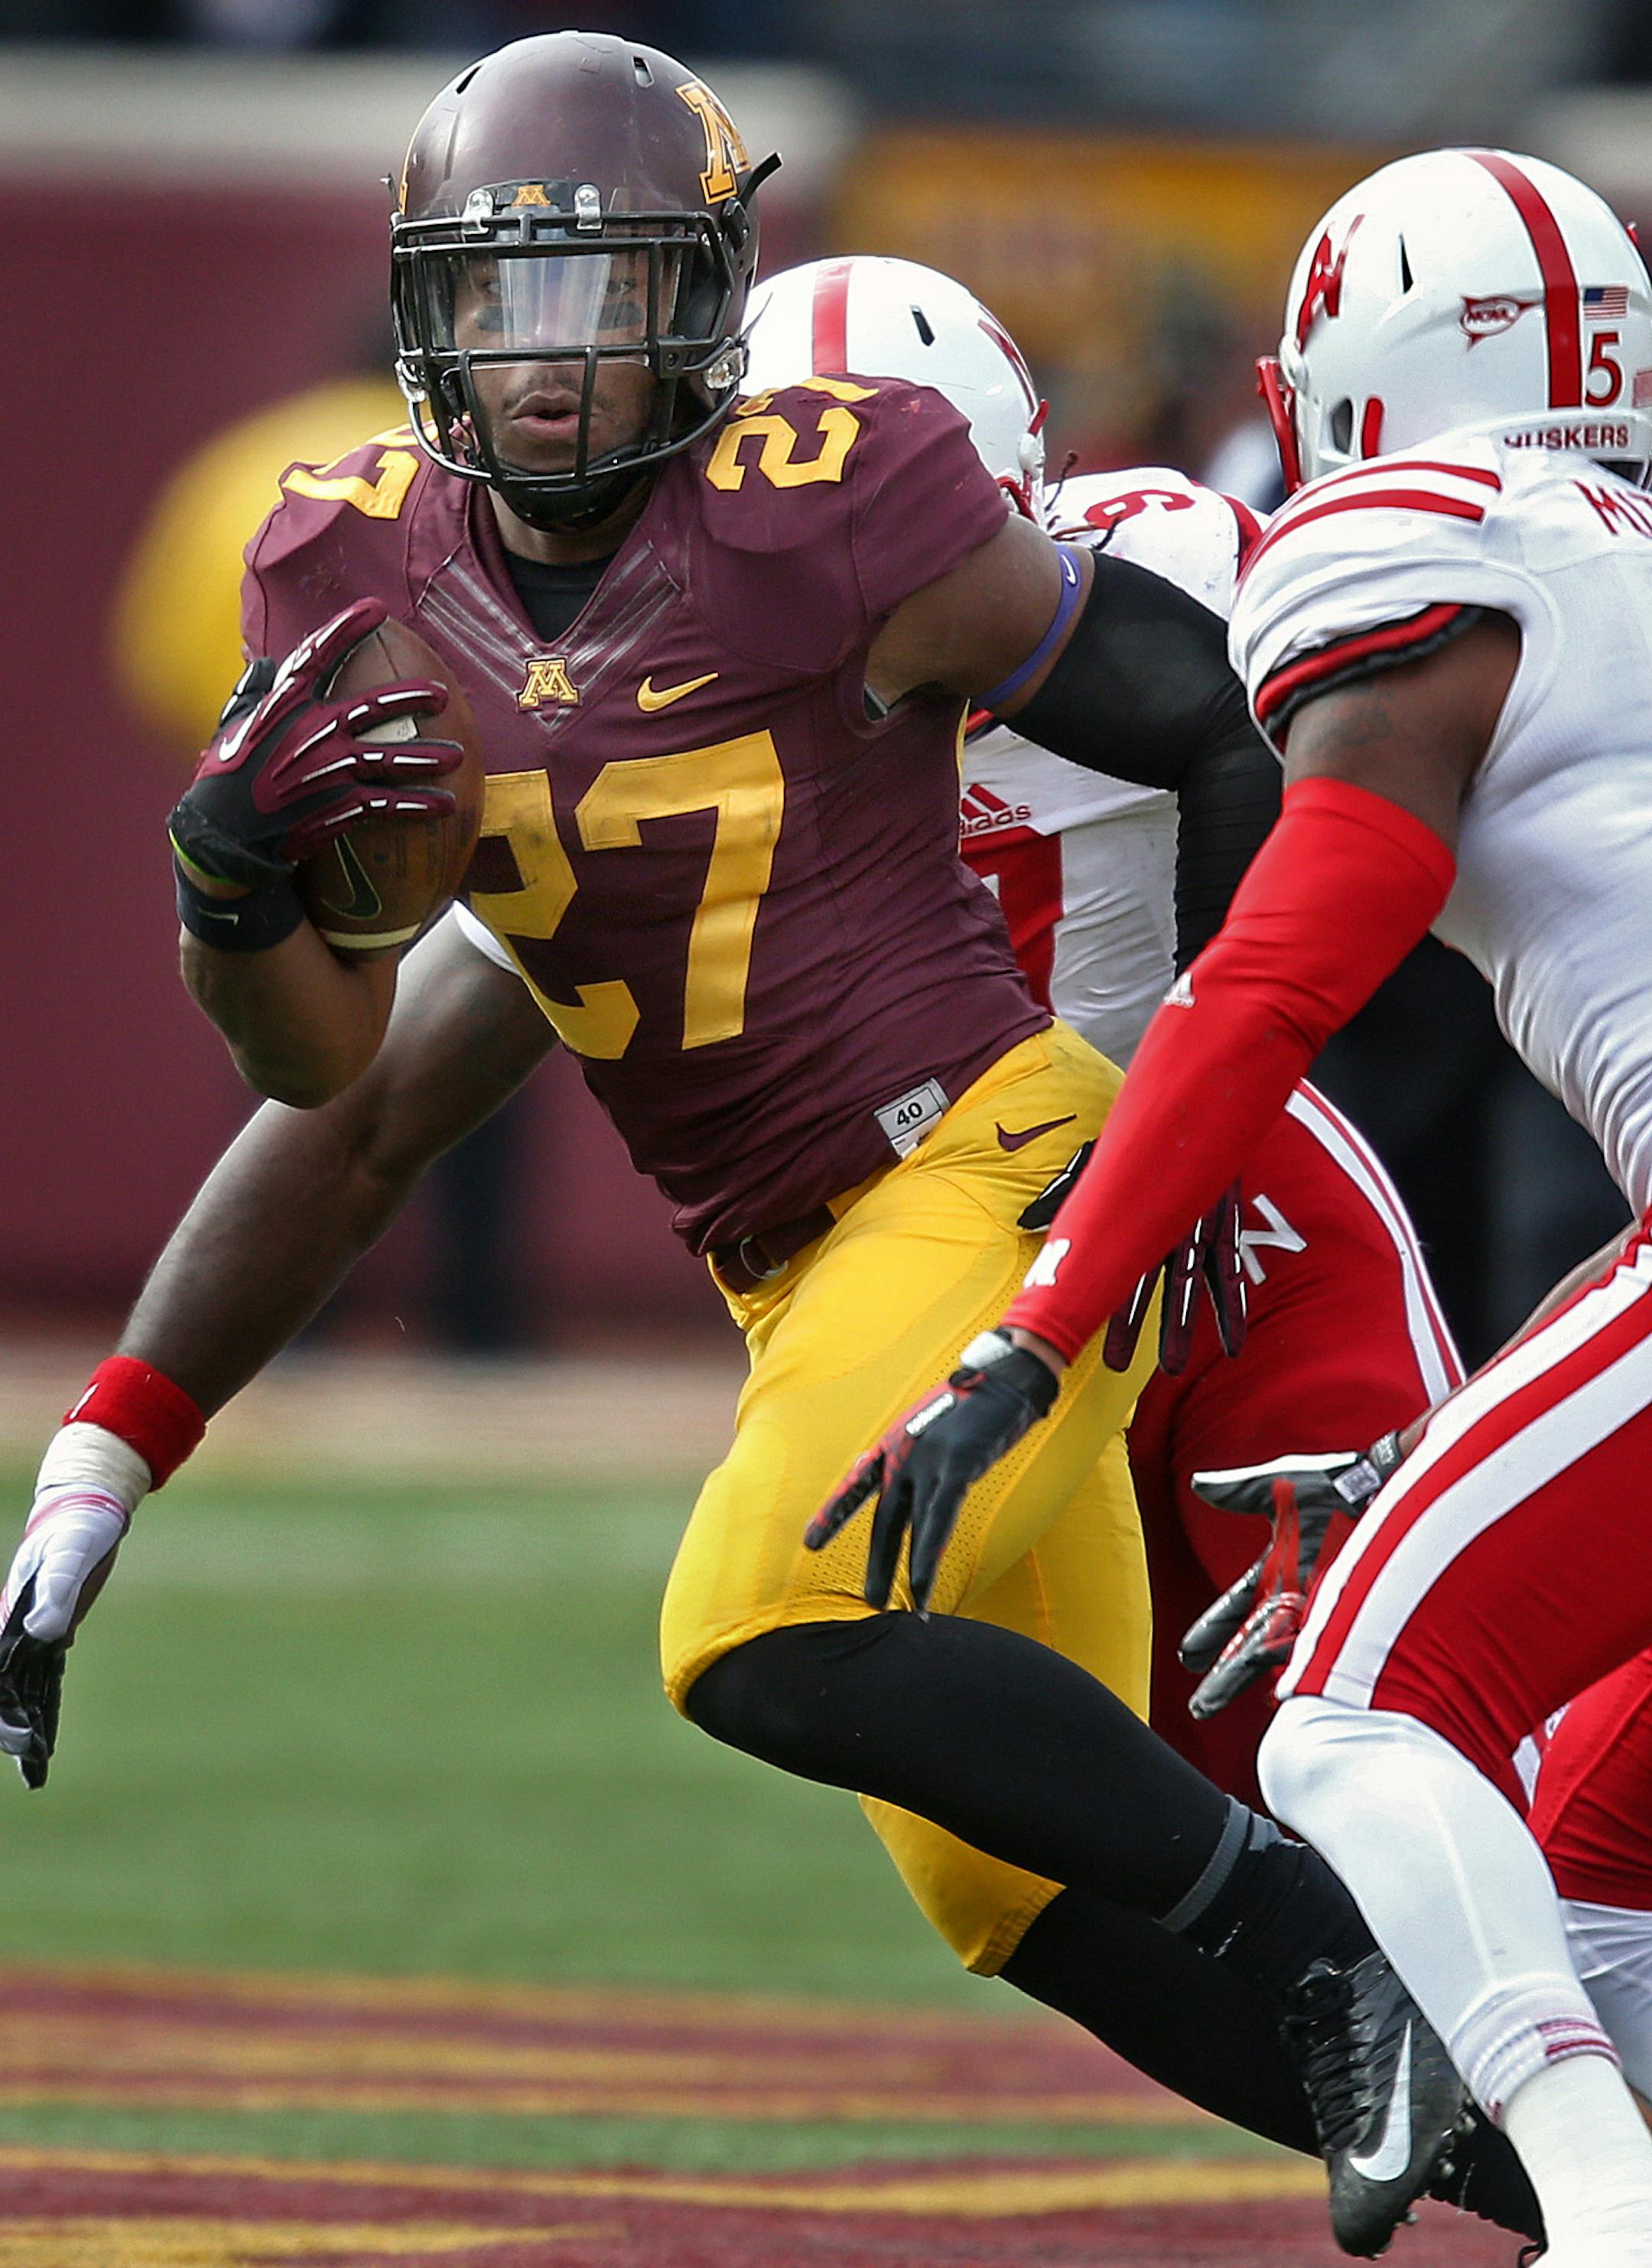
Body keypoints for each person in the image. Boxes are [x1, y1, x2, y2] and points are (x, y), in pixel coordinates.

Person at [0, 41, 1517, 2239]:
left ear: (706, 304)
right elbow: (329, 1083)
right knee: (1013, 1887)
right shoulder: (360, 573)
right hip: (813, 1277)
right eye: (503, 302)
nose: (548, 361)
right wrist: (112, 1417)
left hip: (991, 1166)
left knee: (750, 1622)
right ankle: (1572, 2191)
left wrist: (1179, 1125)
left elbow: (1214, 718)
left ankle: (1369, 1973)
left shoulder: (832, 507)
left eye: (602, 294)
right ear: (428, 312)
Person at [813, 146, 1652, 2261]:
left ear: (1361, 372)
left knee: (1359, 1718)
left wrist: (1035, 1327)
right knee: (1583, 1878)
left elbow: (1280, 966)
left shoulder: (1414, 546)